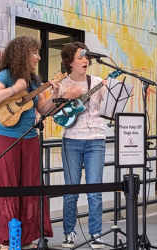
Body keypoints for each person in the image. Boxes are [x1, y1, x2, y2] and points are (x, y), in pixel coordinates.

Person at [0, 35, 59, 250]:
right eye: (34, 52)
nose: (38, 57)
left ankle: (24, 238)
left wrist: (55, 94)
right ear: (22, 54)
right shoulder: (6, 75)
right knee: (7, 187)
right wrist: (16, 88)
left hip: (30, 139)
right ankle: (4, 239)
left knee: (29, 187)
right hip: (6, 140)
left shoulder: (35, 80)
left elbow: (44, 110)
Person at [57, 42, 107, 249]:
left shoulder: (96, 81)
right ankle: (69, 233)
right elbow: (55, 114)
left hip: (96, 139)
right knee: (71, 190)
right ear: (69, 62)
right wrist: (64, 96)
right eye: (80, 57)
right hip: (71, 141)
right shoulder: (62, 84)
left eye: (86, 57)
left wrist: (109, 91)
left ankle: (96, 233)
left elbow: (109, 106)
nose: (85, 60)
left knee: (94, 190)